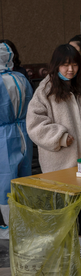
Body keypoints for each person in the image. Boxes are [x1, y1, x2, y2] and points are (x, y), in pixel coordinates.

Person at [26, 44, 81, 265]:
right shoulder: (45, 90)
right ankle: (63, 248)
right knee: (62, 206)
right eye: (65, 64)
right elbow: (35, 124)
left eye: (74, 64)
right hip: (59, 162)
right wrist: (60, 136)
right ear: (56, 66)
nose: (70, 69)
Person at [0, 42, 33, 239]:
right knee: (23, 175)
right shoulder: (20, 78)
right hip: (24, 131)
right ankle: (24, 220)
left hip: (3, 135)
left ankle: (9, 226)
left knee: (5, 180)